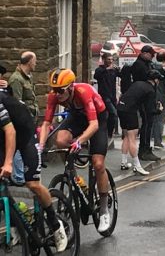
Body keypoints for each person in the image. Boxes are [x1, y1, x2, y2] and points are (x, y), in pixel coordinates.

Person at [39, 68, 111, 233]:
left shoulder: (83, 91)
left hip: (97, 119)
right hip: (77, 117)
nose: (57, 94)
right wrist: (40, 145)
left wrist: (79, 141)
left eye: (60, 90)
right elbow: (46, 123)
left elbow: (94, 125)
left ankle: (103, 209)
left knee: (98, 164)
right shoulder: (54, 96)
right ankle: (77, 179)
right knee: (60, 140)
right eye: (54, 90)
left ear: (71, 87)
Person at [0, 88, 67, 252]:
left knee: (32, 184)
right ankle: (18, 223)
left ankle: (55, 225)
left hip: (25, 135)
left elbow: (10, 132)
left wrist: (8, 163)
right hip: (3, 139)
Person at [120, 45, 165, 161]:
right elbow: (151, 75)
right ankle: (144, 150)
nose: (153, 56)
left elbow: (158, 74)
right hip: (143, 98)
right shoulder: (139, 65)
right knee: (146, 123)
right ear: (144, 53)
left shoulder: (146, 64)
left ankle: (146, 148)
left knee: (149, 123)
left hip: (148, 96)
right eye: (151, 54)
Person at [117, 70, 164, 175]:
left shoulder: (138, 83)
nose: (159, 82)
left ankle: (124, 162)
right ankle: (137, 165)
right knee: (132, 138)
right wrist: (159, 110)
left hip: (120, 107)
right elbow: (150, 110)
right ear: (155, 80)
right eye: (158, 80)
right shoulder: (150, 90)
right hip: (130, 111)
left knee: (126, 136)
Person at [9, 51, 40, 185]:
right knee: (19, 146)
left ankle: (23, 174)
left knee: (28, 146)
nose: (36, 63)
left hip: (30, 118)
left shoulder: (27, 77)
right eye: (35, 61)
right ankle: (18, 176)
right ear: (28, 62)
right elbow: (17, 102)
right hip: (22, 120)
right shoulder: (16, 79)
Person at [94, 53, 120, 141]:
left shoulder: (113, 70)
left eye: (112, 59)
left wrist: (119, 70)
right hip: (104, 96)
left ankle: (108, 133)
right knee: (113, 113)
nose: (111, 61)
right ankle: (108, 134)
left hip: (112, 96)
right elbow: (96, 76)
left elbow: (120, 75)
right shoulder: (99, 69)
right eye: (109, 59)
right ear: (104, 59)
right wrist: (107, 69)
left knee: (108, 115)